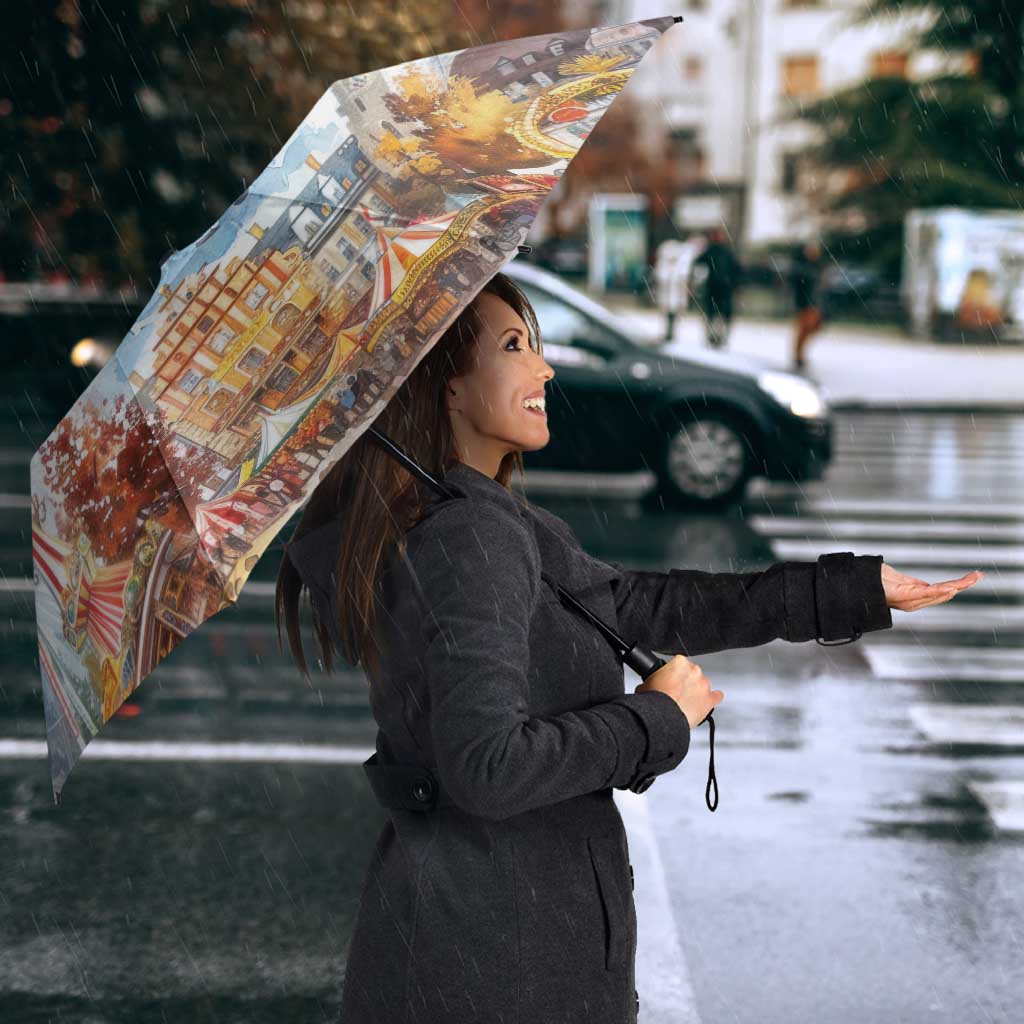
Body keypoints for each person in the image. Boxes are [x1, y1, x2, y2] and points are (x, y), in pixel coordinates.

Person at [276, 272, 981, 1024]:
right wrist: (655, 719)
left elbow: (644, 606)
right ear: (445, 387)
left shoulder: (480, 520)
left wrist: (849, 590)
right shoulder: (470, 537)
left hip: (481, 943)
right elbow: (487, 767)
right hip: (496, 962)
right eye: (514, 346)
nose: (544, 368)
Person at [692, 226, 742, 349]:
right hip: (715, 288)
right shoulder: (712, 251)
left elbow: (736, 270)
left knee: (720, 315)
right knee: (713, 314)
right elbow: (698, 264)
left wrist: (735, 284)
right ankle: (713, 337)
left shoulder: (725, 252)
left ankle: (719, 337)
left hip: (723, 288)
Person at [790, 239, 826, 371]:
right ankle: (798, 355)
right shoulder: (802, 267)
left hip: (814, 303)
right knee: (804, 329)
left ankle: (800, 354)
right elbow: (799, 286)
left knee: (812, 328)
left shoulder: (817, 266)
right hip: (805, 303)